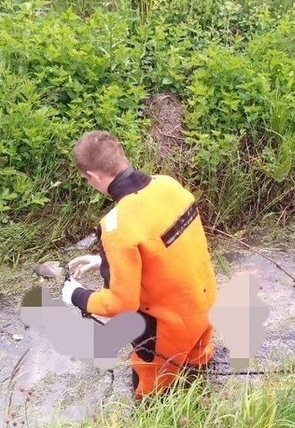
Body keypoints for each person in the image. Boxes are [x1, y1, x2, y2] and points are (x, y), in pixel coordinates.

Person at [61, 131, 217, 401]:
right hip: (205, 310)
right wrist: (104, 259)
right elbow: (169, 248)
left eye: (87, 180)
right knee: (198, 380)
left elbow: (121, 305)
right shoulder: (168, 185)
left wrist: (76, 295)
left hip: (167, 331)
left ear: (94, 176)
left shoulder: (117, 224)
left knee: (151, 403)